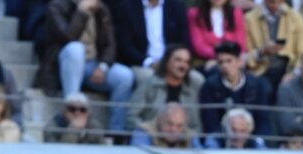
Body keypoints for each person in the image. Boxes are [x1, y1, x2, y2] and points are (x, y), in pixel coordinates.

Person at [41, 0, 134, 133]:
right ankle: (72, 111)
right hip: (64, 63)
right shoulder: (57, 6)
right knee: (76, 49)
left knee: (125, 76)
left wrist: (103, 66)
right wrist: (81, 12)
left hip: (92, 64)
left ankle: (116, 132)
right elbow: (67, 37)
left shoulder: (101, 9)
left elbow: (110, 44)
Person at [198, 41, 273, 141]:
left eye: (229, 61)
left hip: (251, 140)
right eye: (221, 62)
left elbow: (263, 119)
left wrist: (256, 140)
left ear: (240, 62)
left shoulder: (257, 85)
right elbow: (210, 121)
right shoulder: (209, 86)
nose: (224, 66)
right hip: (221, 140)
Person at [131, 44, 204, 139]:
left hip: (182, 139)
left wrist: (183, 136)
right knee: (139, 136)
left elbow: (197, 126)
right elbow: (132, 117)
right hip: (151, 136)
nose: (183, 66)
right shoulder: (149, 84)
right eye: (178, 60)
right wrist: (148, 131)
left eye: (187, 62)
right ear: (167, 61)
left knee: (196, 142)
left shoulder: (192, 89)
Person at [112, 0, 190, 85]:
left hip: (173, 62)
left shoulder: (177, 7)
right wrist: (149, 62)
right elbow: (125, 46)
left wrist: (172, 62)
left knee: (196, 79)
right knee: (151, 78)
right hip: (141, 64)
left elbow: (183, 41)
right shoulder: (127, 7)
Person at [245, 0, 303, 89]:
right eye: (272, 2)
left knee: (288, 87)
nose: (275, 4)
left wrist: (294, 73)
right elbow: (244, 56)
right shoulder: (249, 19)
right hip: (259, 72)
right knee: (262, 87)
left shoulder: (296, 18)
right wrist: (262, 52)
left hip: (288, 70)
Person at [187, 0, 248, 66]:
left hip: (233, 62)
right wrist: (221, 57)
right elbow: (199, 47)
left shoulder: (236, 12)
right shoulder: (194, 14)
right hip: (206, 62)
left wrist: (226, 58)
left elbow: (241, 45)